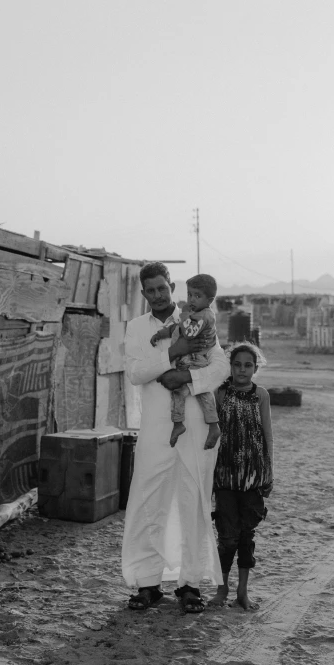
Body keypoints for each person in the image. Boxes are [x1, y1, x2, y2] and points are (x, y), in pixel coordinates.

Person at [122, 262, 229, 613]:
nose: (156, 296)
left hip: (195, 424)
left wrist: (186, 381)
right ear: (143, 293)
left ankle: (190, 584)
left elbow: (220, 366)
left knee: (194, 500)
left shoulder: (198, 317)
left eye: (162, 288)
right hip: (155, 427)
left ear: (172, 286)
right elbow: (136, 372)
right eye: (150, 291)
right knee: (147, 501)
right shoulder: (137, 328)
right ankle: (147, 582)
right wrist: (172, 352)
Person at [209, 342, 274, 611]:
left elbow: (267, 434)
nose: (242, 370)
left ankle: (242, 592)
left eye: (248, 365)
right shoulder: (220, 393)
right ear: (230, 366)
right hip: (224, 476)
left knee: (247, 535)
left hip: (253, 476)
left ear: (255, 368)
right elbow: (211, 434)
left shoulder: (261, 395)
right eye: (237, 365)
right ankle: (221, 589)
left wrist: (270, 471)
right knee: (227, 536)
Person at [150, 274, 221, 450]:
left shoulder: (206, 315)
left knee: (202, 393)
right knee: (178, 392)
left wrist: (184, 315)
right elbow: (178, 328)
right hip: (186, 361)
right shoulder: (194, 314)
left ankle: (213, 426)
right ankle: (178, 424)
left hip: (196, 361)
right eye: (190, 295)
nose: (191, 299)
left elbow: (189, 333)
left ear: (210, 300)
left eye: (197, 296)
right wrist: (161, 334)